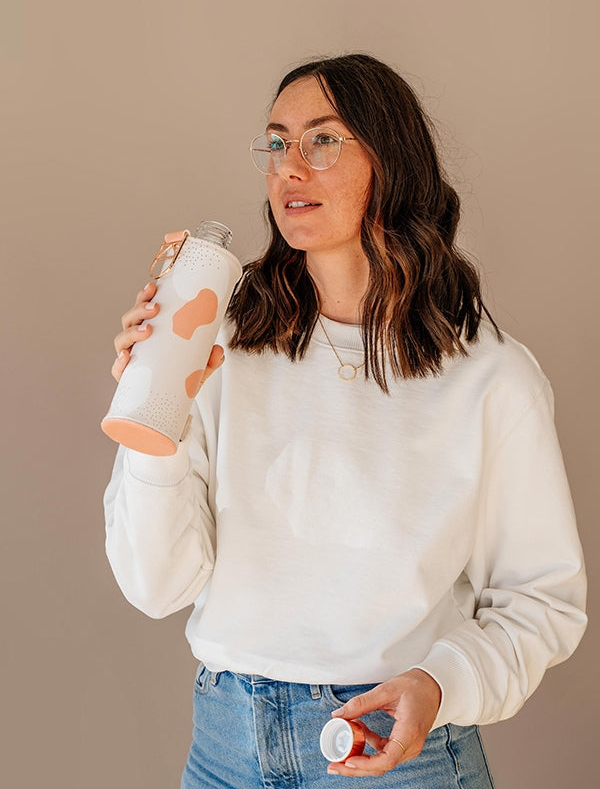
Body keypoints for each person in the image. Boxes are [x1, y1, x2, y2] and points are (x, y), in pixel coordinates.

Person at [104, 54, 587, 788]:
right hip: (226, 749)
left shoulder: (491, 376)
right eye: (276, 142)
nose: (289, 167)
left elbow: (541, 598)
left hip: (397, 755)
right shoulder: (217, 343)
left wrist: (440, 685)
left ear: (390, 163)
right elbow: (155, 585)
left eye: (322, 140)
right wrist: (154, 413)